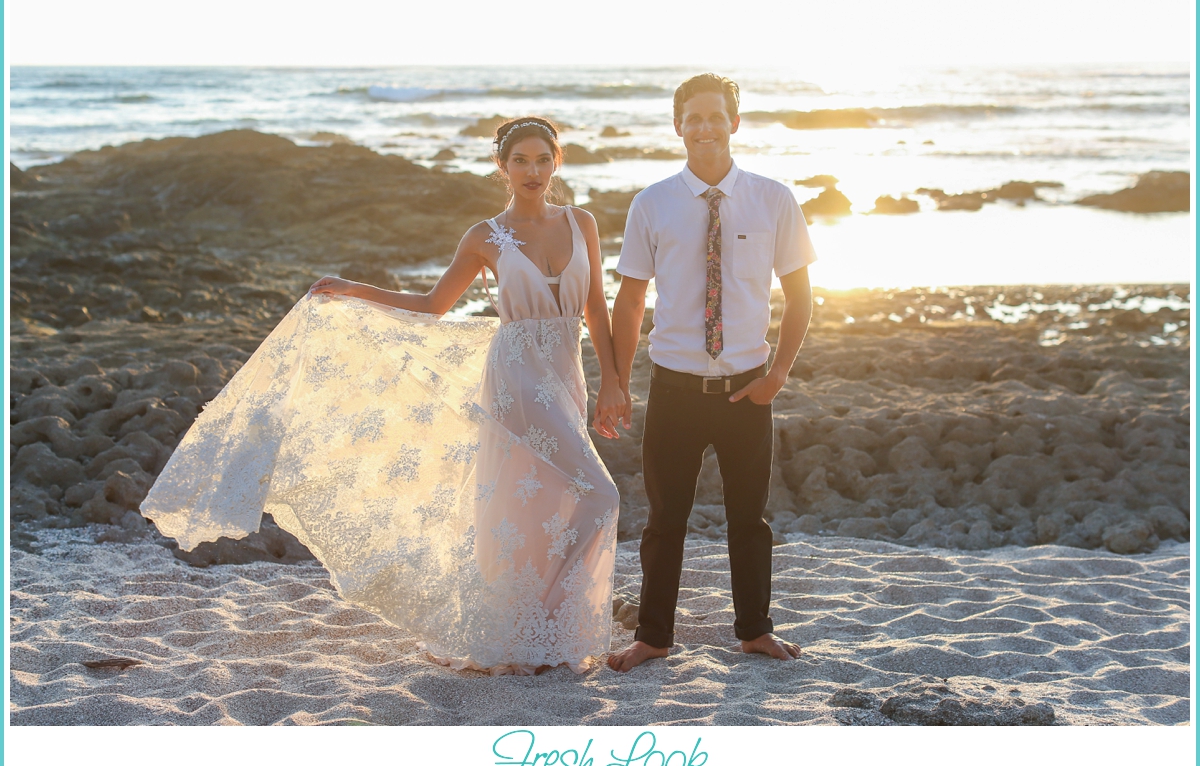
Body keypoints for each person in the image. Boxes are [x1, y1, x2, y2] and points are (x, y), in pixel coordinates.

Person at [142, 116, 626, 675]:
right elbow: (432, 305)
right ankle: (544, 626)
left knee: (540, 502)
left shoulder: (581, 222)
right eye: (521, 161)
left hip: (567, 374)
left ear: (557, 161)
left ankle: (531, 636)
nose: (533, 171)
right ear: (502, 167)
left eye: (543, 159)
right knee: (599, 495)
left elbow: (597, 308)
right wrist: (353, 290)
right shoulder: (484, 236)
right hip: (516, 379)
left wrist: (613, 380)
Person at [607, 74, 817, 672]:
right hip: (674, 387)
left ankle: (755, 630)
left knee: (748, 519)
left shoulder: (773, 199)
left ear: (734, 123)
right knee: (663, 521)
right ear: (678, 126)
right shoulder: (652, 203)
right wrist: (618, 380)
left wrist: (778, 373)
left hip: (747, 390)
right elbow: (629, 301)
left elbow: (801, 295)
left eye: (715, 116)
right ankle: (653, 637)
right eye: (693, 117)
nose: (705, 127)